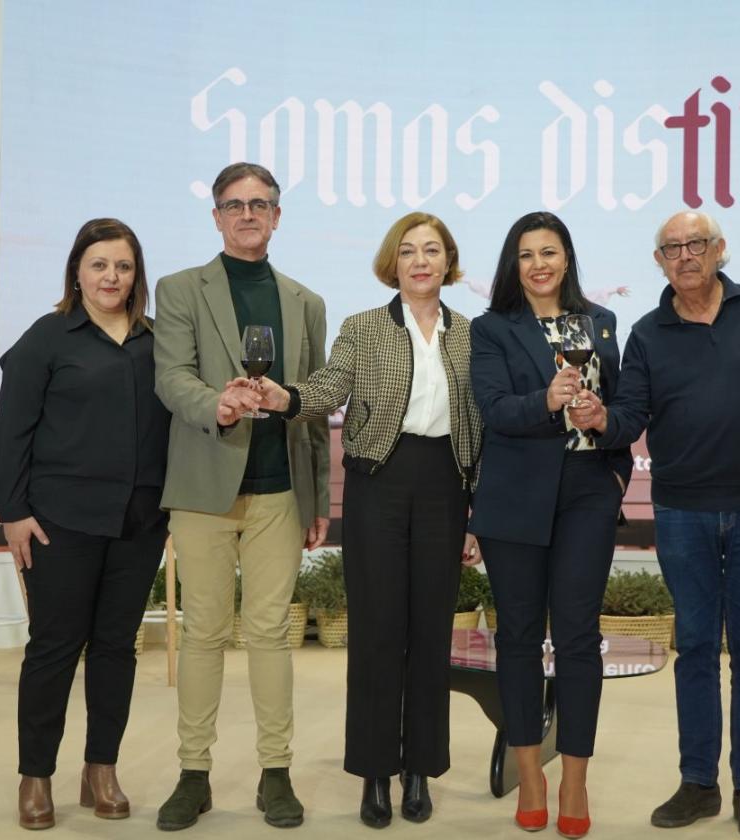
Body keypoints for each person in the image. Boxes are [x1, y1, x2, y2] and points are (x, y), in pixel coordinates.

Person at [246, 212, 483, 828]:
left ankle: (421, 769)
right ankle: (375, 773)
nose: (421, 261)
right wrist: (286, 398)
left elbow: (483, 425)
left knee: (432, 634)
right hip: (380, 480)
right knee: (378, 634)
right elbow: (329, 386)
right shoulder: (364, 327)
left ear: (448, 261)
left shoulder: (472, 336)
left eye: (433, 250)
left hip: (445, 486)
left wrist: (477, 508)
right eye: (408, 251)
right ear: (393, 263)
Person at [571, 210, 740, 839]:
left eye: (697, 244)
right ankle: (699, 783)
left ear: (720, 250)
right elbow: (630, 415)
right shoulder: (646, 333)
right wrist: (596, 419)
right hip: (682, 510)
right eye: (672, 248)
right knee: (695, 648)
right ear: (659, 261)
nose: (686, 255)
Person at [152, 162, 330, 831]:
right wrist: (218, 406)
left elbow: (309, 408)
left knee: (268, 636)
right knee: (203, 635)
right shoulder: (179, 290)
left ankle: (275, 774)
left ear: (277, 216)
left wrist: (318, 497)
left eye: (260, 203)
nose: (248, 214)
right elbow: (171, 376)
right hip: (203, 486)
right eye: (234, 204)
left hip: (279, 490)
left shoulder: (305, 302)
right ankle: (193, 774)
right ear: (217, 216)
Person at [0, 218, 170, 830]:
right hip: (58, 521)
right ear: (77, 271)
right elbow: (11, 430)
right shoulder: (47, 337)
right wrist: (11, 512)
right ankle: (35, 776)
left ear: (135, 274)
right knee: (54, 649)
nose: (111, 277)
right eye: (99, 265)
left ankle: (101, 769)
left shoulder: (157, 340)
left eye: (122, 266)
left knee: (118, 649)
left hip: (139, 521)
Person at [469, 211, 632, 840]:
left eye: (550, 251)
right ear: (514, 264)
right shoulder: (491, 329)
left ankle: (575, 780)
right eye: (527, 254)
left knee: (577, 638)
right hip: (514, 497)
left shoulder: (602, 322)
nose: (539, 264)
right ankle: (530, 774)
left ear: (567, 258)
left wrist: (607, 437)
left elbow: (625, 407)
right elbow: (494, 410)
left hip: (588, 492)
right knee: (516, 638)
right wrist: (547, 400)